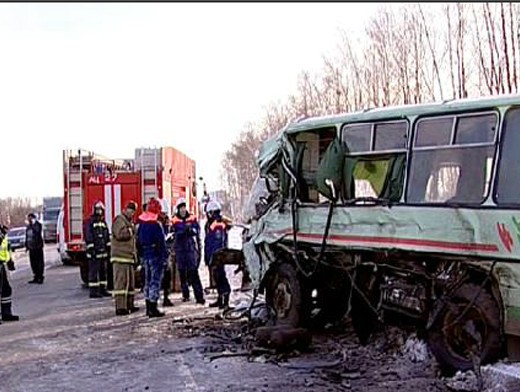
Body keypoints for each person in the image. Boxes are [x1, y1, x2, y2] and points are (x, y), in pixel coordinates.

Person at [137, 198, 168, 318]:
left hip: (146, 255)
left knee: (147, 281)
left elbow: (138, 240)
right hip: (155, 255)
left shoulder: (142, 224)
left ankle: (148, 307)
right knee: (155, 281)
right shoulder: (156, 225)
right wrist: (164, 257)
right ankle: (153, 308)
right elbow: (161, 243)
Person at [172, 197, 205, 305]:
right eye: (180, 208)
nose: (182, 210)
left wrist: (192, 230)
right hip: (180, 250)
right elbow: (173, 233)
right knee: (182, 274)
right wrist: (182, 232)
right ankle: (185, 294)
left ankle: (199, 297)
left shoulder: (192, 218)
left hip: (190, 250)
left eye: (184, 207)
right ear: (178, 209)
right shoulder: (174, 220)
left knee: (193, 273)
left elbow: (197, 230)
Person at [111, 201, 140, 316]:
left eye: (133, 212)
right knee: (121, 284)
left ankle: (129, 305)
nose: (132, 213)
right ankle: (120, 307)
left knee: (130, 285)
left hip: (128, 258)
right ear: (125, 209)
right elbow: (120, 234)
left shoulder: (129, 222)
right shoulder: (119, 220)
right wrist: (132, 230)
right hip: (120, 258)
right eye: (131, 211)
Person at [204, 200, 232, 309]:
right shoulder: (212, 224)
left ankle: (225, 298)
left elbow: (217, 242)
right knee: (217, 277)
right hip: (213, 255)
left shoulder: (218, 225)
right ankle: (220, 298)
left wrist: (215, 256)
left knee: (221, 276)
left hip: (218, 256)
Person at [85, 201, 111, 298]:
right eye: (97, 209)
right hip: (94, 253)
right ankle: (93, 291)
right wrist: (91, 248)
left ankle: (103, 289)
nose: (99, 211)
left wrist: (108, 246)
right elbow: (88, 235)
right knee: (94, 272)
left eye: (100, 210)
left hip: (103, 252)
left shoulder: (103, 222)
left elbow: (106, 235)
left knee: (103, 272)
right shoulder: (90, 222)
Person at [0, 225, 19, 322]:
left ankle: (6, 313)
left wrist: (10, 261)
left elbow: (6, 248)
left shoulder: (2, 231)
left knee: (6, 290)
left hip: (2, 263)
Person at [158, 209, 174, 307]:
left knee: (167, 276)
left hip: (166, 252)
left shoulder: (168, 224)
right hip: (159, 254)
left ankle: (166, 297)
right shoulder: (156, 223)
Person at [25, 213, 45, 284]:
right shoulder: (28, 227)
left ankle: (40, 277)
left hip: (38, 247)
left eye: (30, 218)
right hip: (31, 248)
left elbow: (38, 233)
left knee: (39, 263)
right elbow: (27, 237)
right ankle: (36, 276)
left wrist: (33, 224)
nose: (29, 220)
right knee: (33, 263)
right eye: (28, 218)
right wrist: (26, 246)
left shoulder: (38, 225)